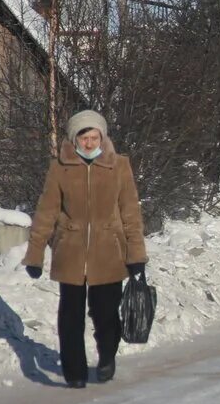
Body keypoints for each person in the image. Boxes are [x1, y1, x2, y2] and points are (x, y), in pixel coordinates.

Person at [23, 110, 148, 389]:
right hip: (70, 251)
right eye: (84, 137)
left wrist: (136, 255)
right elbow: (46, 212)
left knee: (105, 314)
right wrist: (35, 254)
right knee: (70, 316)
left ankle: (106, 356)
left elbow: (130, 213)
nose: (90, 143)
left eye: (94, 137)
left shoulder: (119, 166)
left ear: (102, 137)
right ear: (74, 138)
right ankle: (75, 371)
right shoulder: (60, 168)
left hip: (109, 252)